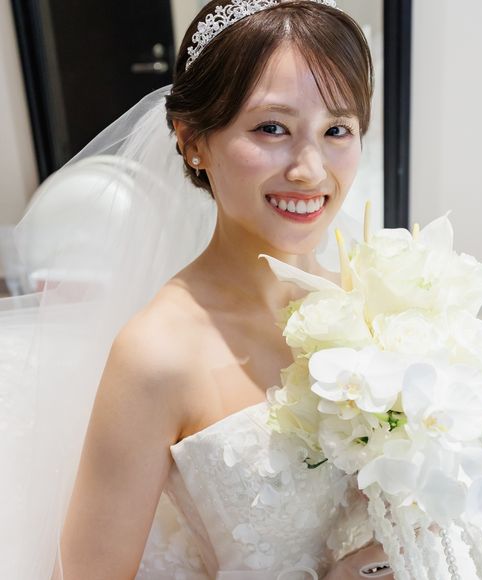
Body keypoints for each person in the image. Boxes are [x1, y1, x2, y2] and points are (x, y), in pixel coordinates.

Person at [0, 1, 395, 578]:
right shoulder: (156, 355)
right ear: (193, 140)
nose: (310, 169)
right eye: (272, 128)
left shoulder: (380, 307)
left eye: (337, 129)